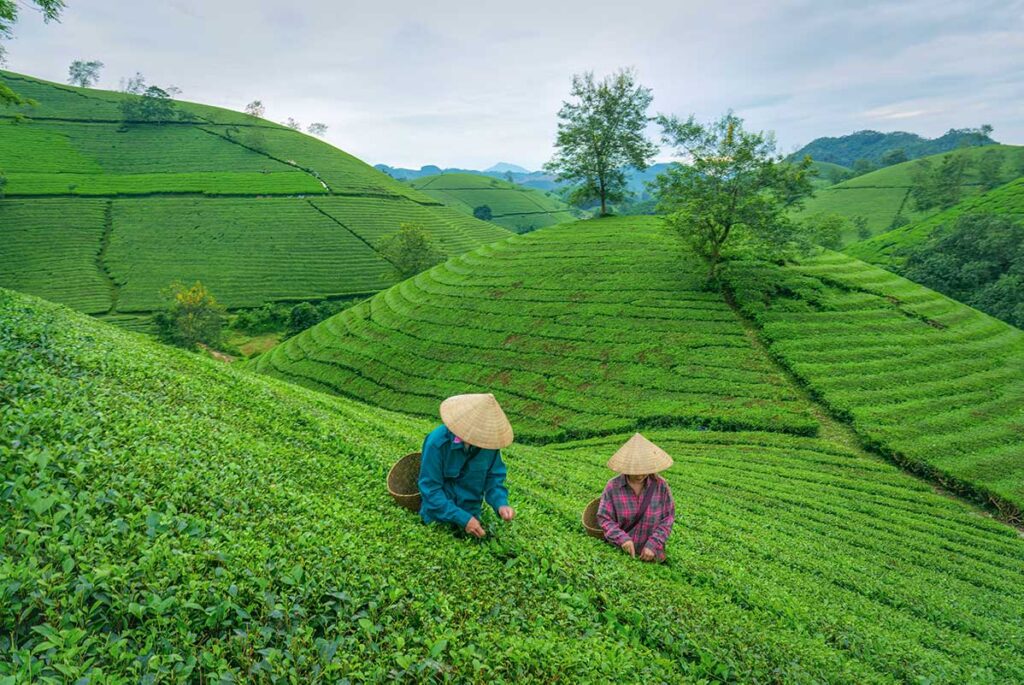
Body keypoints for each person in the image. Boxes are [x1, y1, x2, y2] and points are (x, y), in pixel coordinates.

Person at [418, 393, 516, 538]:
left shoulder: (489, 446)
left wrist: (501, 503)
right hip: (438, 518)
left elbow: (494, 479)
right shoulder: (437, 443)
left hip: (472, 517)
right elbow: (430, 489)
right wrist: (462, 518)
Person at [597, 433, 676, 562]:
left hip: (652, 557)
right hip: (620, 555)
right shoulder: (613, 487)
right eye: (636, 471)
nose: (640, 475)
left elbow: (667, 519)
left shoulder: (660, 486)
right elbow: (604, 519)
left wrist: (653, 545)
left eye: (644, 470)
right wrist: (622, 540)